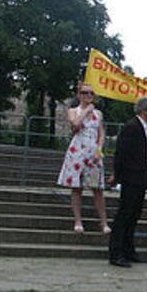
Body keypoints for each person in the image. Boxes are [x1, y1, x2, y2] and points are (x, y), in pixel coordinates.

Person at [108, 97, 147, 268]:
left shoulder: (145, 128)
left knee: (134, 216)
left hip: (141, 176)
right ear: (144, 111)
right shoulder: (132, 127)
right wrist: (117, 175)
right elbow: (121, 153)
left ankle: (129, 250)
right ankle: (116, 253)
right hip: (131, 177)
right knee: (125, 214)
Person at [56, 83, 110, 234]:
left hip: (92, 151)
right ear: (79, 95)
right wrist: (86, 110)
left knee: (97, 188)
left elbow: (101, 133)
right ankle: (78, 220)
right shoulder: (73, 111)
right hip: (78, 150)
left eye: (91, 93)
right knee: (77, 187)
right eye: (85, 93)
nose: (89, 96)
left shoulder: (98, 114)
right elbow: (75, 125)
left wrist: (99, 149)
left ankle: (103, 221)